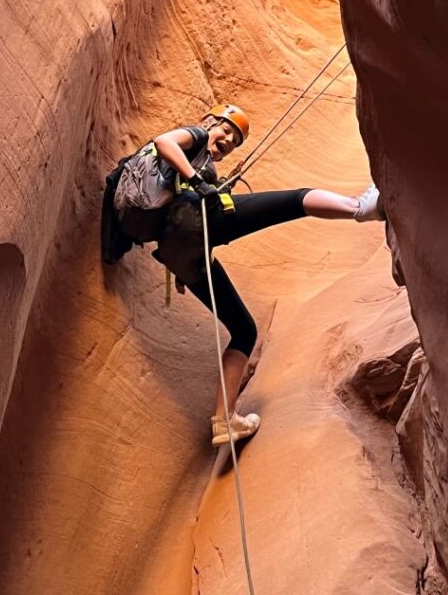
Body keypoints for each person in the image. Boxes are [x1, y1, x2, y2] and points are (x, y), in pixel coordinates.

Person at [104, 104, 384, 446]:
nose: (226, 140)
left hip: (183, 250)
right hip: (197, 222)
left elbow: (170, 217)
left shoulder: (199, 166)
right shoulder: (197, 135)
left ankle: (224, 421)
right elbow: (164, 141)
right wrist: (199, 183)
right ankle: (358, 208)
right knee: (295, 200)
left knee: (243, 330)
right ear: (211, 121)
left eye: (234, 141)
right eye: (226, 131)